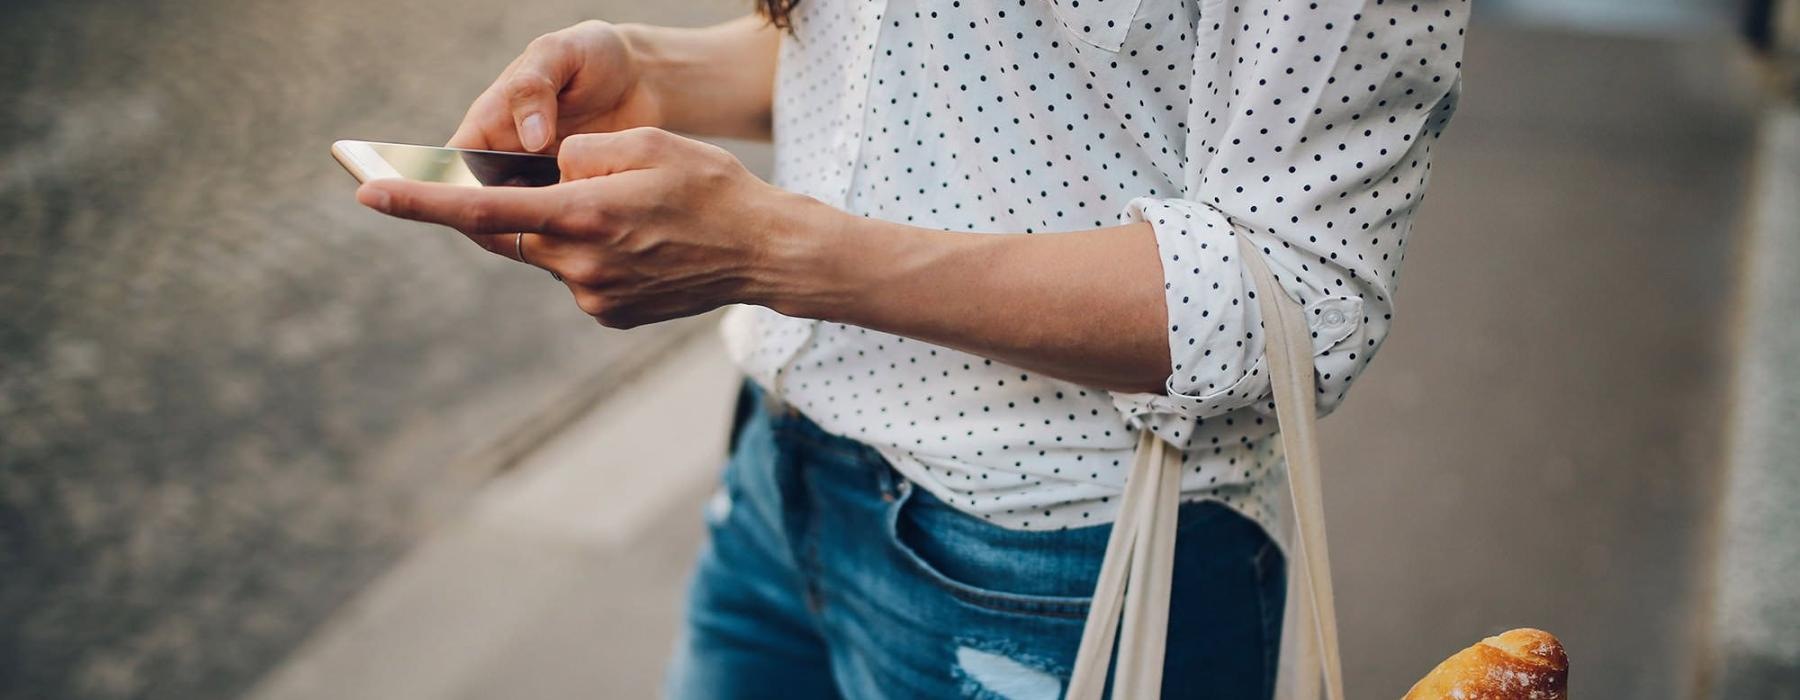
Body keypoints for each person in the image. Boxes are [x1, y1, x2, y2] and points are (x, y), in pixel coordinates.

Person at [355, 1, 1468, 697]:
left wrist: (781, 251)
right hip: (778, 479)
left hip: (1059, 556)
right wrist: (651, 69)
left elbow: (1303, 287)